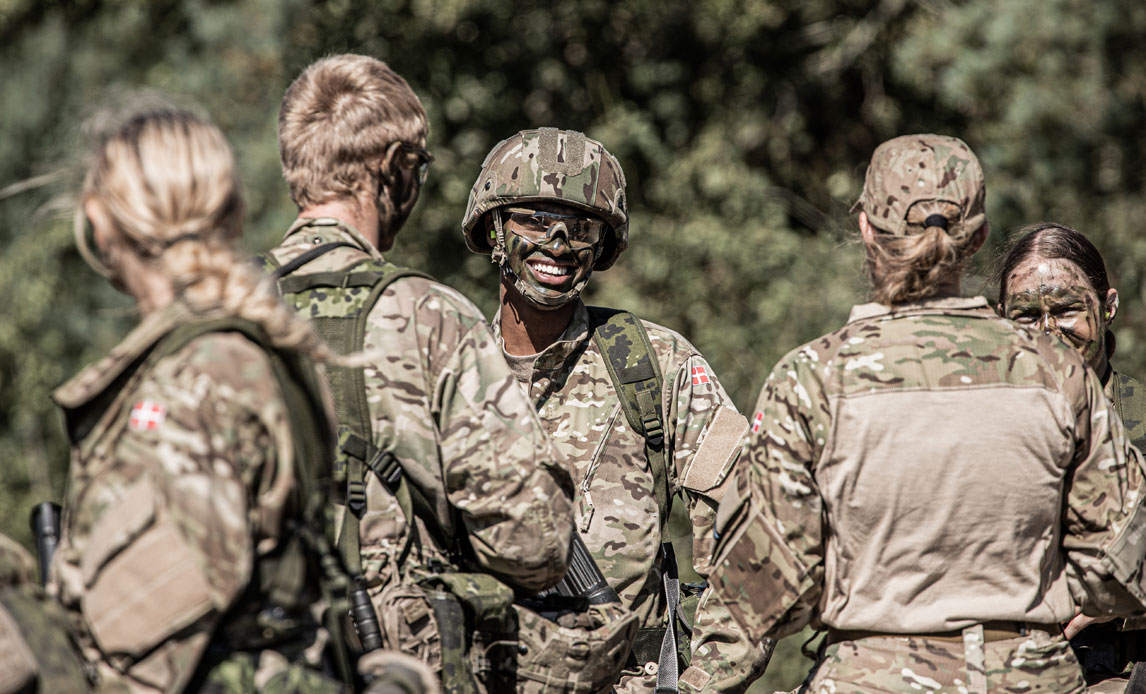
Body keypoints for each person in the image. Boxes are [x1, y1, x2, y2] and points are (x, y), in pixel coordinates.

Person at [707, 134, 1146, 694]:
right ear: (981, 236)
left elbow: (765, 592)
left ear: (867, 228)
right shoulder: (1059, 374)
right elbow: (1119, 570)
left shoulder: (811, 377)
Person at [262, 55, 574, 690]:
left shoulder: (209, 314)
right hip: (397, 666)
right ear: (396, 170)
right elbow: (535, 544)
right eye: (419, 168)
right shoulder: (430, 318)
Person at [51, 105, 356, 692]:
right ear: (233, 211)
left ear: (100, 223)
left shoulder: (195, 381)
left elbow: (139, 660)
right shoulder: (258, 346)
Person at [460, 127, 769, 694]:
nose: (557, 243)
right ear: (494, 227)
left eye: (580, 228)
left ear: (601, 246)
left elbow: (752, 536)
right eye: (533, 219)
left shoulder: (651, 363)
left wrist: (703, 684)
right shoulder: (450, 375)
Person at [998, 222, 1146, 692]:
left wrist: (1124, 594)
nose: (1047, 332)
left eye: (1065, 310)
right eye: (1025, 315)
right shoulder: (972, 430)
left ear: (1108, 306)